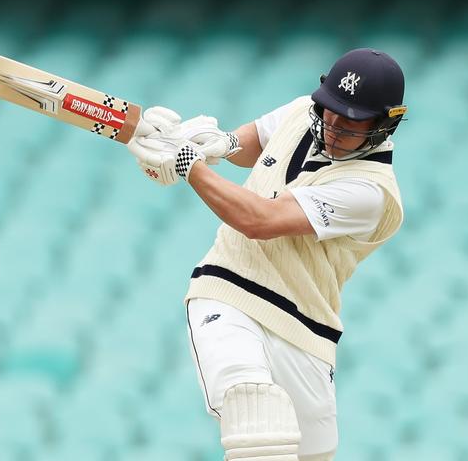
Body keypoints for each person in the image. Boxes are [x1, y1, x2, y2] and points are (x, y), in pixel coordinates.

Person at [127, 48, 407, 461]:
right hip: (228, 291)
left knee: (308, 453)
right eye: (328, 113)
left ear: (385, 125)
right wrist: (217, 144)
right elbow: (253, 142)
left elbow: (260, 220)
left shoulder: (370, 193)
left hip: (307, 330)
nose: (331, 128)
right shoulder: (303, 111)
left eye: (349, 123)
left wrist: (187, 163)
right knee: (252, 410)